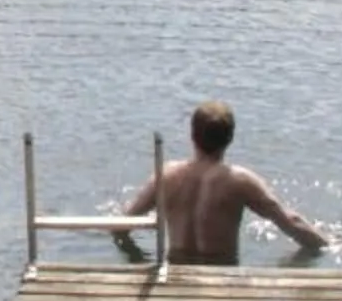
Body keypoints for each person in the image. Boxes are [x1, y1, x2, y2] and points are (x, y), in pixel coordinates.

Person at [120, 101, 328, 264]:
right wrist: (327, 246)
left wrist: (136, 258)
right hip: (222, 277)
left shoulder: (166, 176)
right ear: (230, 138)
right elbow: (291, 222)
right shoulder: (239, 181)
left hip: (177, 275)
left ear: (192, 135)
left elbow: (123, 225)